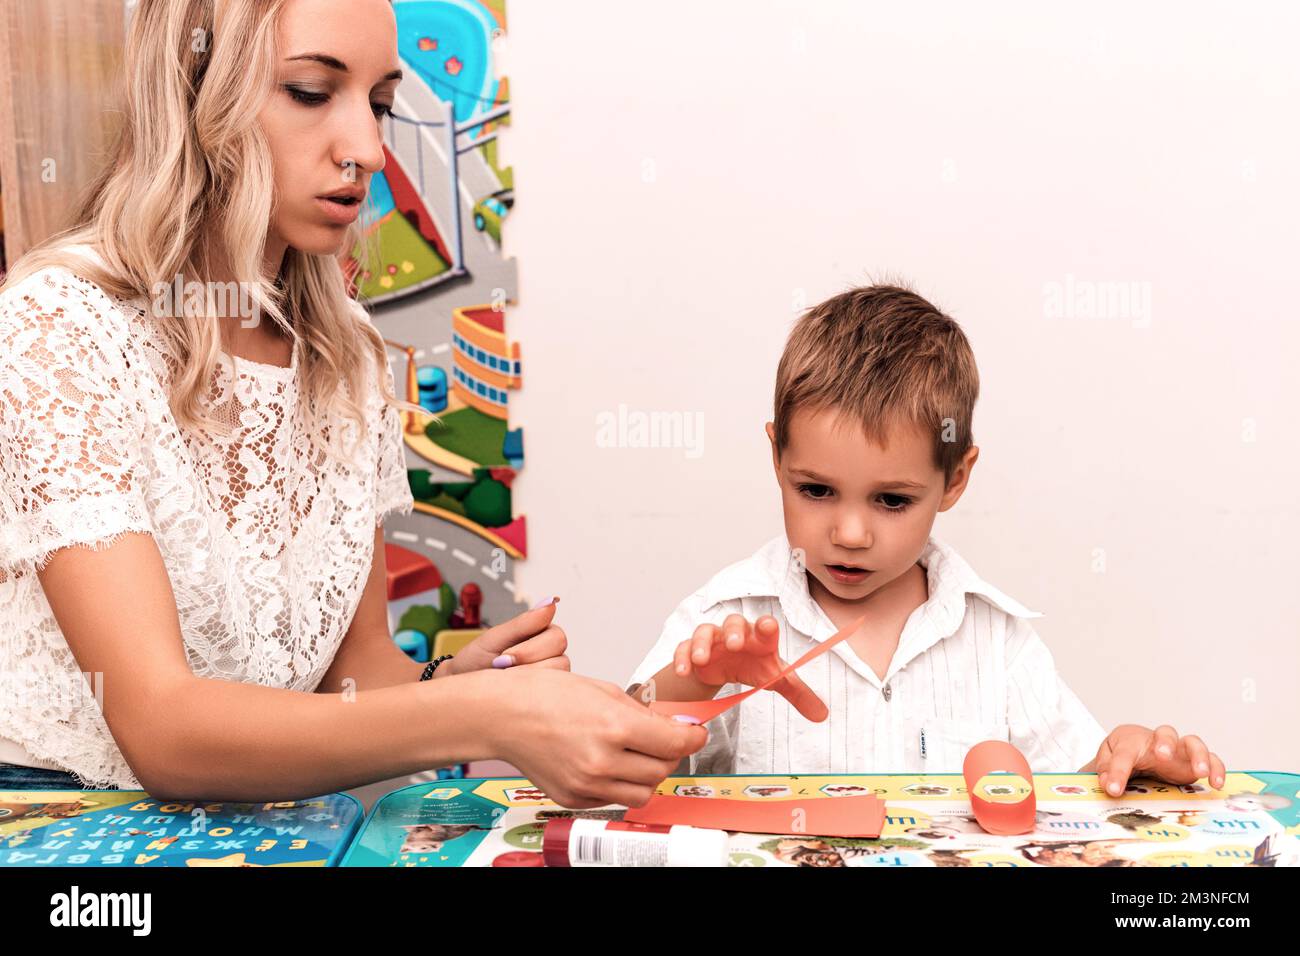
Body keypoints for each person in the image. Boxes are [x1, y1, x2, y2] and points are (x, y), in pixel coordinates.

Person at [0, 0, 705, 806]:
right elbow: (164, 732)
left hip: (267, 825)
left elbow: (355, 668)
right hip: (59, 816)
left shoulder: (348, 353)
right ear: (196, 90)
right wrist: (483, 714)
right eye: (310, 91)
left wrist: (451, 686)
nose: (368, 149)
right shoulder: (58, 327)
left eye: (378, 104)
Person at [626, 284, 1225, 797]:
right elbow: (618, 757)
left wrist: (1130, 762)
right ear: (777, 457)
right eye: (816, 490)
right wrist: (695, 683)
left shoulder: (996, 642)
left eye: (891, 500)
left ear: (955, 479)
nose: (850, 533)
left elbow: (1070, 795)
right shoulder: (727, 619)